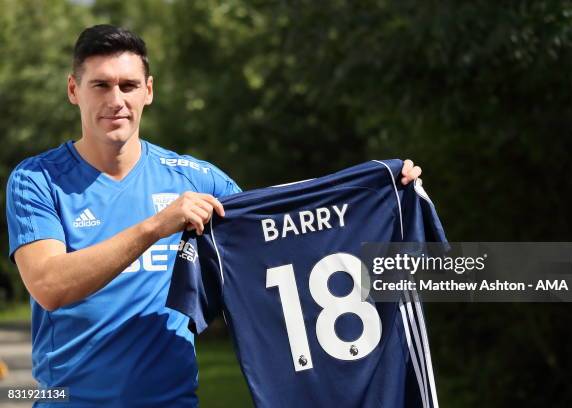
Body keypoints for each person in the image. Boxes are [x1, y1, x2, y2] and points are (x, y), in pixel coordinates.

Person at [5, 24, 423, 406]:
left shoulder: (198, 179)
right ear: (74, 90)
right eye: (101, 85)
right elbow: (49, 285)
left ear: (148, 91)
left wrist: (377, 188)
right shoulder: (37, 179)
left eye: (129, 85)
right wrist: (157, 226)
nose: (116, 100)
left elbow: (280, 235)